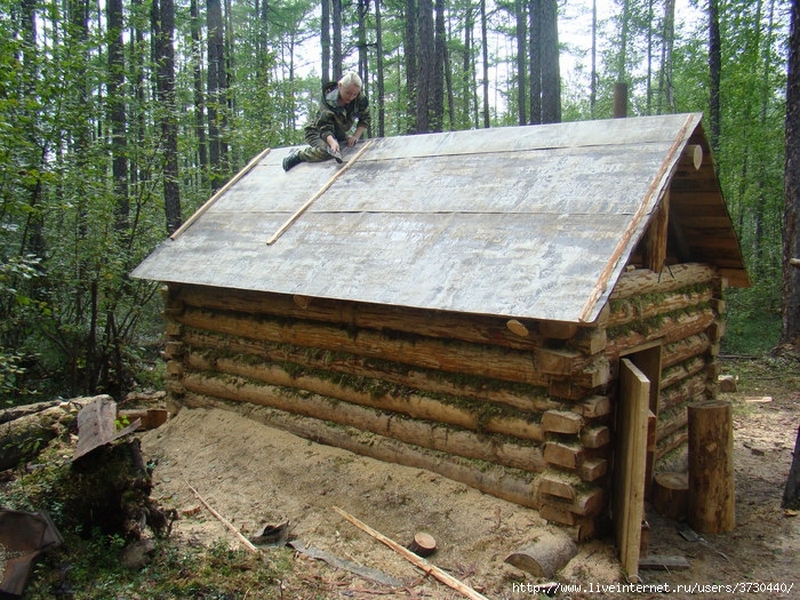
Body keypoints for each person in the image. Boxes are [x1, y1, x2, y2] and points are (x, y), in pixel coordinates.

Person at [283, 71, 371, 171]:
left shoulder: (360, 100)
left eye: (355, 94)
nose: (351, 97)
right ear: (340, 86)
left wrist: (355, 136)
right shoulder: (329, 100)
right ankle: (298, 155)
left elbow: (365, 118)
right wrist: (332, 142)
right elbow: (324, 127)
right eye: (348, 93)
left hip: (338, 134)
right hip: (317, 132)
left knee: (351, 147)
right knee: (328, 151)